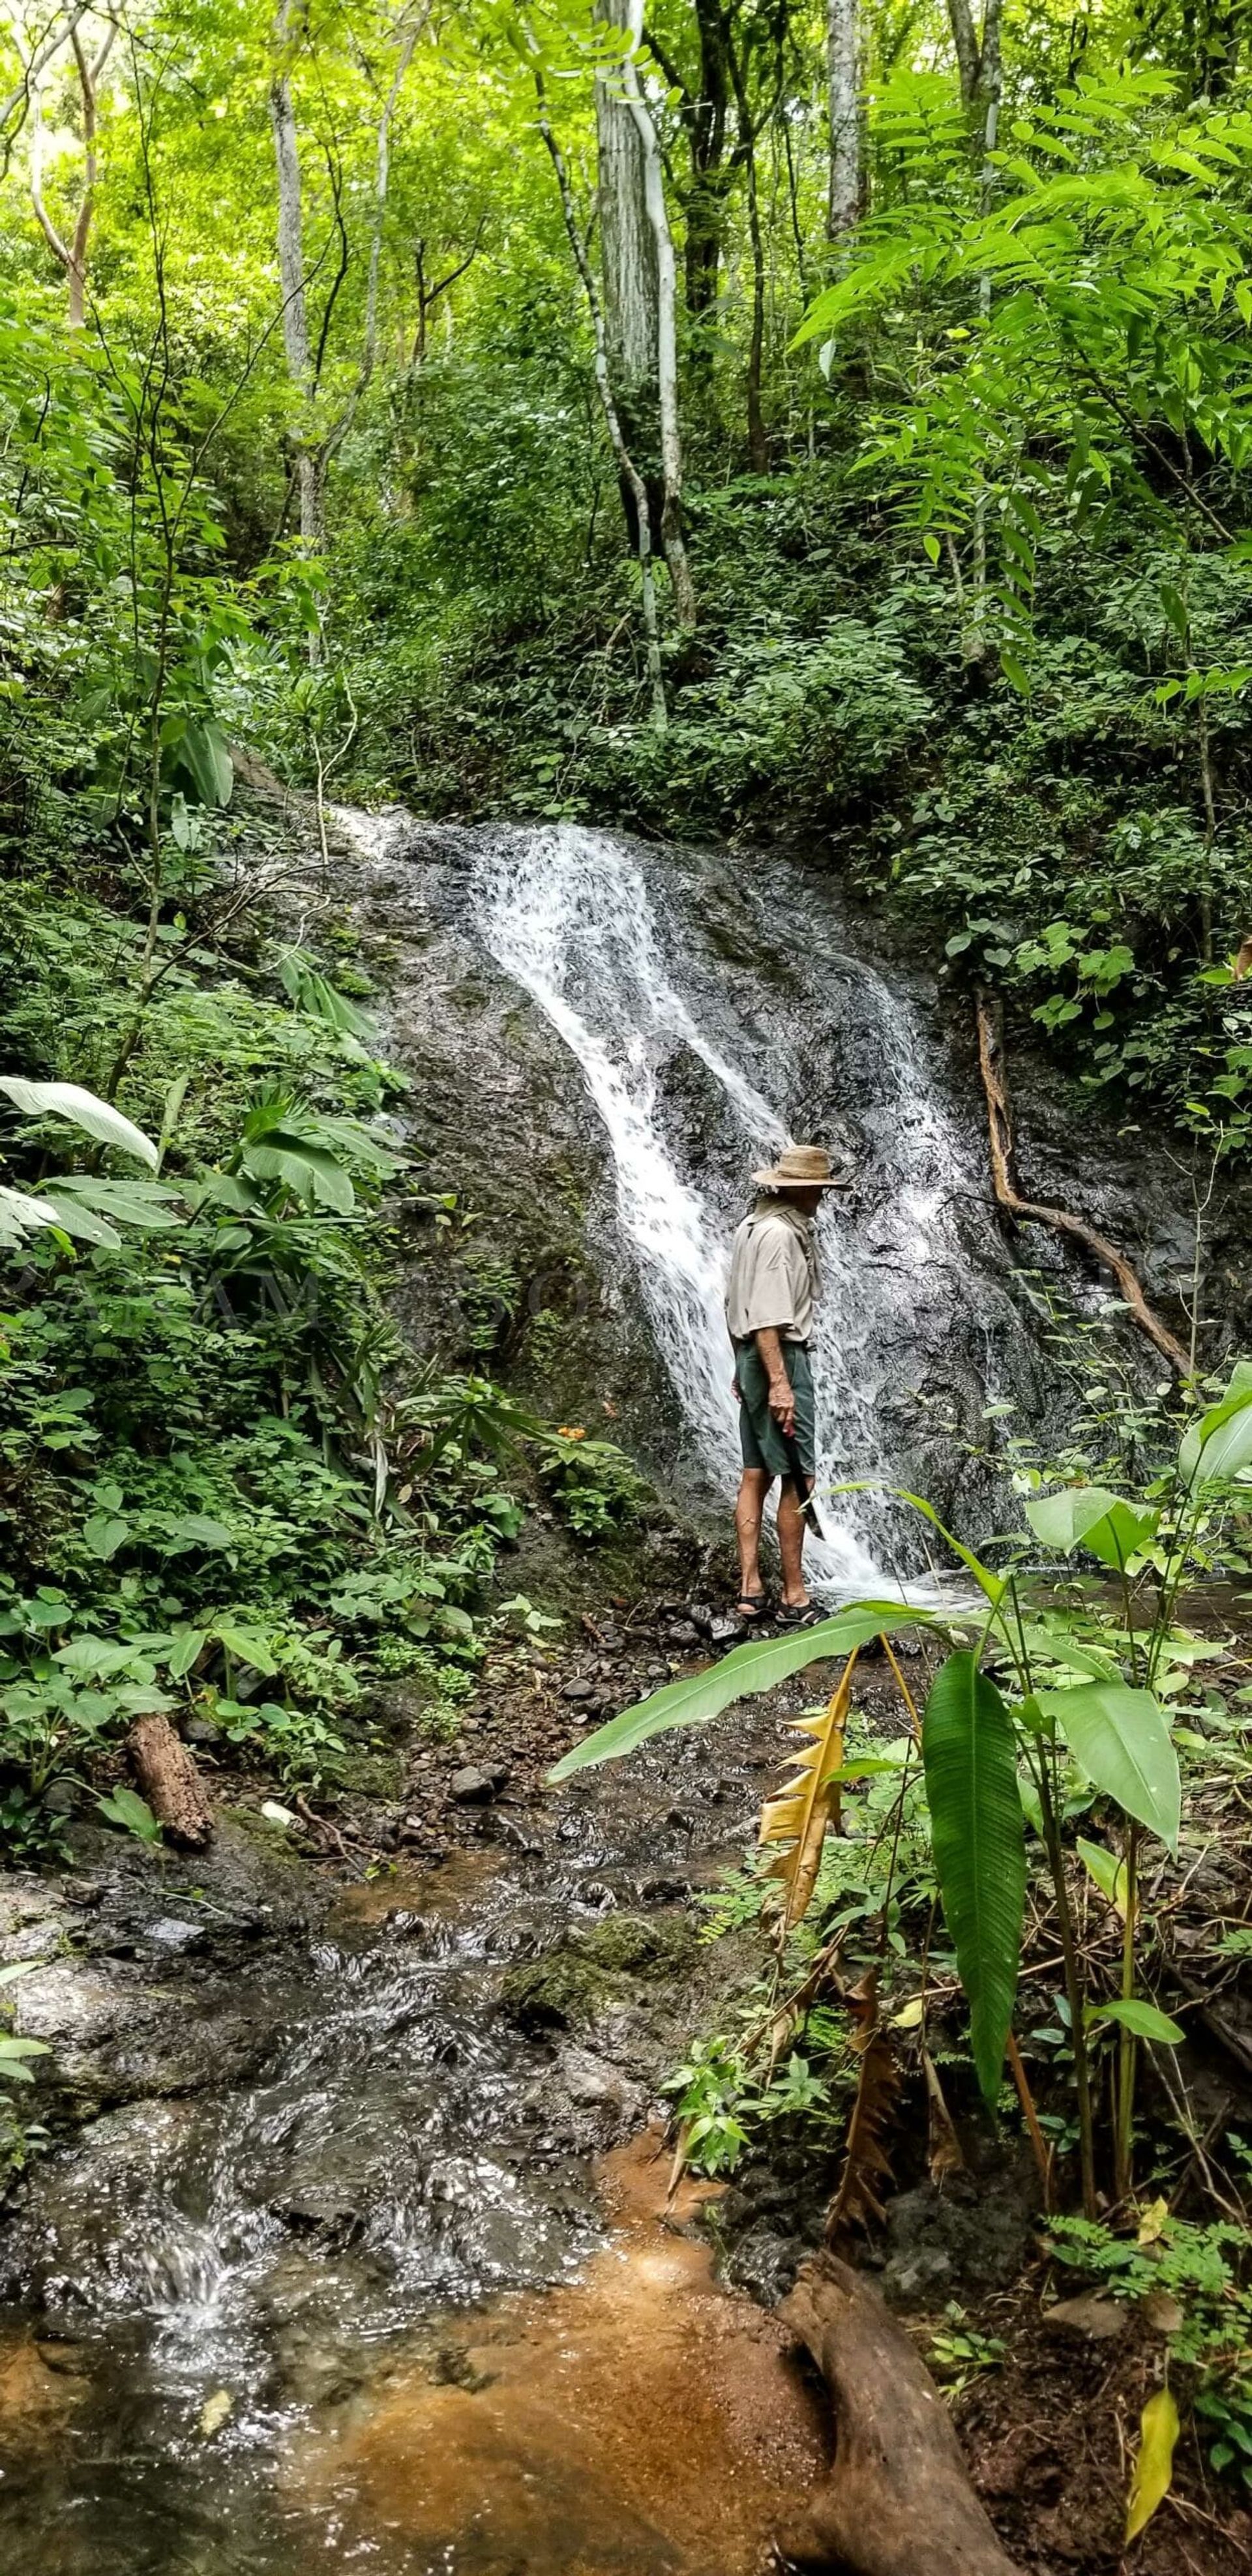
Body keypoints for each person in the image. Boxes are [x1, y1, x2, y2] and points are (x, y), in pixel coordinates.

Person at [724, 1141, 848, 1629]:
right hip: (782, 1357)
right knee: (800, 1478)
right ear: (805, 1188)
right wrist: (780, 1383)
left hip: (753, 1355)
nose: (821, 1195)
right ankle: (795, 1594)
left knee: (756, 1471)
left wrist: (744, 1366)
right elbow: (771, 1316)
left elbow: (734, 1301)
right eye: (818, 1187)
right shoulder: (780, 1235)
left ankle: (751, 1588)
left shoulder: (752, 1226)